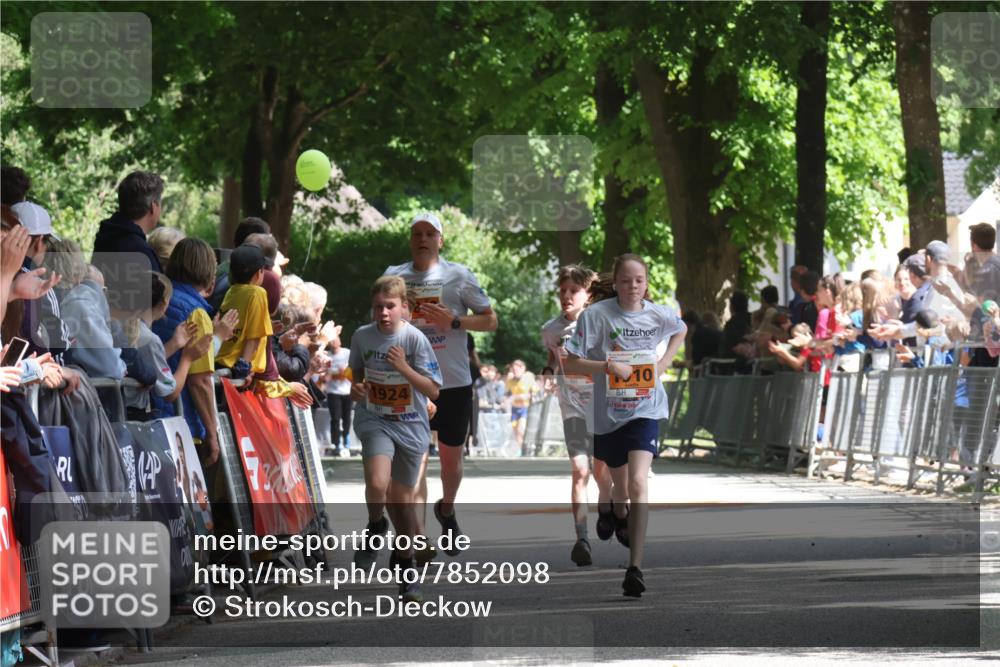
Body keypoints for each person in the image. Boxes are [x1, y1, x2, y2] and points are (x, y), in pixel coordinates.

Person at [563, 253, 686, 597]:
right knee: (617, 486)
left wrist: (661, 364)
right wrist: (606, 367)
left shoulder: (658, 314)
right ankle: (616, 511)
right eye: (626, 280)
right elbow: (571, 361)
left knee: (637, 482)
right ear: (614, 283)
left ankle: (636, 568)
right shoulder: (596, 315)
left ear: (646, 283)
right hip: (608, 413)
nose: (633, 286)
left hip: (646, 409)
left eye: (639, 280)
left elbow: (681, 328)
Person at [382, 212, 497, 558]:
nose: (422, 239)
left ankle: (446, 508)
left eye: (429, 234)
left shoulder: (458, 275)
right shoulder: (394, 276)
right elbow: (380, 316)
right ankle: (418, 537)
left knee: (450, 462)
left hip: (454, 381)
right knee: (415, 460)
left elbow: (491, 320)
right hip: (411, 380)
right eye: (417, 233)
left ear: (440, 240)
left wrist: (456, 320)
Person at [348, 276, 442, 603]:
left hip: (410, 424)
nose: (384, 313)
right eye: (378, 307)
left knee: (402, 504)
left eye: (390, 306)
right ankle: (375, 526)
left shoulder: (414, 340)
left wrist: (403, 367)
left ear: (405, 308)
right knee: (377, 482)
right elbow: (355, 378)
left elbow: (433, 390)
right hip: (375, 419)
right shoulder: (362, 337)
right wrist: (357, 389)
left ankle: (406, 568)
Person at [540, 264, 613, 567]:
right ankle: (581, 537)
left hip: (602, 405)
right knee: (579, 470)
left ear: (588, 294)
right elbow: (551, 356)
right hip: (572, 406)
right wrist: (547, 371)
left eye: (574, 291)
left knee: (601, 472)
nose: (567, 296)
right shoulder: (551, 329)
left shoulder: (601, 321)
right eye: (562, 291)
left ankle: (609, 507)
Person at [156, 238, 236, 466]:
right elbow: (199, 381)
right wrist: (212, 434)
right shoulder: (197, 313)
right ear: (209, 282)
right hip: (181, 425)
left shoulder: (156, 299)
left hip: (150, 418)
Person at [92, 171, 165, 286]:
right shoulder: (141, 253)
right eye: (161, 203)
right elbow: (157, 301)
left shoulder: (106, 236)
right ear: (153, 207)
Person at [325, 324, 352, 455]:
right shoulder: (326, 356)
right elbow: (323, 376)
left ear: (339, 340)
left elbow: (350, 370)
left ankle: (346, 438)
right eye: (331, 340)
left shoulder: (347, 353)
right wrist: (333, 375)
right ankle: (336, 443)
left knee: (347, 417)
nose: (334, 342)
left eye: (336, 339)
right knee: (335, 418)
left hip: (347, 391)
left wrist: (339, 373)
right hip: (333, 392)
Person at [505, 359, 534, 455]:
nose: (515, 372)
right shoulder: (510, 380)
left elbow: (534, 394)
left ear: (523, 369)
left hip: (525, 408)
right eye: (513, 370)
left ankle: (527, 448)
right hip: (514, 409)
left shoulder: (528, 377)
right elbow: (507, 394)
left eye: (517, 369)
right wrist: (509, 399)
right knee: (516, 432)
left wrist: (524, 396)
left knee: (521, 429)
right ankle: (522, 450)